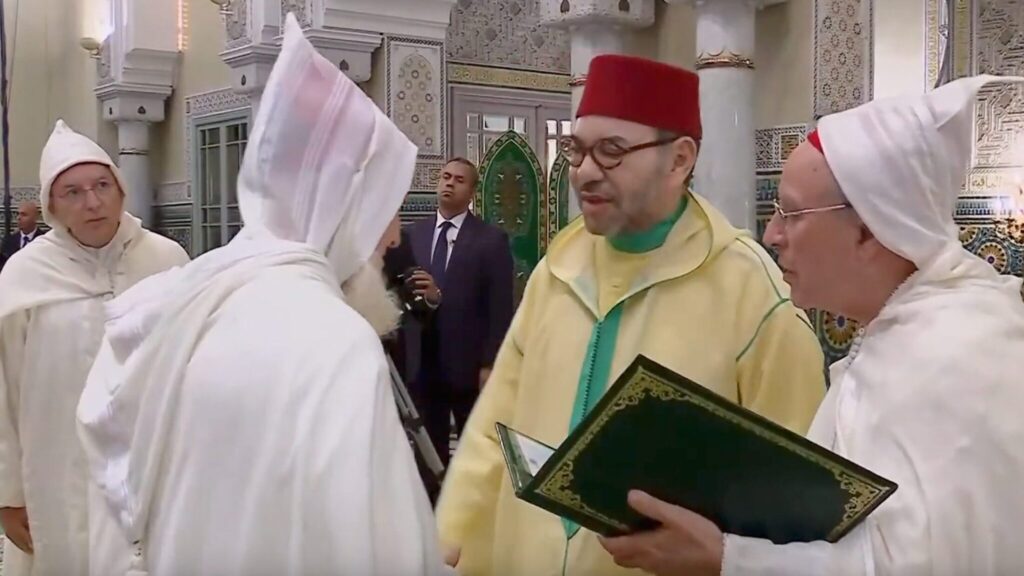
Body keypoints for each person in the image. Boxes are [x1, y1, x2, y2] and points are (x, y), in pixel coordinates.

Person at [599, 74, 1024, 576]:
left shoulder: (956, 351)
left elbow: (920, 566)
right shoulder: (903, 330)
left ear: (869, 229)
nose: (772, 233)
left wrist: (726, 561)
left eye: (792, 213)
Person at [76, 14, 445, 576]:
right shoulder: (333, 343)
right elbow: (371, 550)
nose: (393, 237)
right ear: (343, 207)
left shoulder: (186, 293)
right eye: (386, 209)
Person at [436, 54, 827, 576]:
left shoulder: (751, 295)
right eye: (577, 151)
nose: (586, 173)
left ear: (679, 160)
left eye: (612, 152)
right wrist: (449, 537)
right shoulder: (560, 268)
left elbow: (793, 500)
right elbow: (493, 427)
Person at [0, 121, 189, 576]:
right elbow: (3, 390)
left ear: (121, 190)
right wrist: (6, 496)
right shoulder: (24, 274)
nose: (92, 201)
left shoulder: (167, 261)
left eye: (102, 185)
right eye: (73, 192)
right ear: (51, 206)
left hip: (151, 462)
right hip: (58, 465)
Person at [407, 157, 514, 467]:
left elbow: (500, 308)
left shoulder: (490, 240)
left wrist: (490, 363)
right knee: (428, 452)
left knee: (472, 450)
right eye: (445, 177)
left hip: (467, 366)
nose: (450, 183)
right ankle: (432, 509)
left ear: (472, 192)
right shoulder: (414, 234)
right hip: (422, 365)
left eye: (459, 180)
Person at [0, 201, 42, 272]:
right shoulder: (8, 241)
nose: (19, 218)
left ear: (35, 218)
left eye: (24, 215)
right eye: (18, 214)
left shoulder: (43, 240)